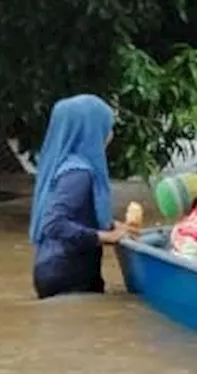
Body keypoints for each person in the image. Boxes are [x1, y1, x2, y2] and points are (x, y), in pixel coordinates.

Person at [28, 94, 129, 299]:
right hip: (68, 272)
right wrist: (106, 237)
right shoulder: (79, 173)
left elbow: (74, 216)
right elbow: (54, 223)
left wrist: (112, 226)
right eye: (106, 125)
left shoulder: (61, 166)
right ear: (90, 129)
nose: (110, 133)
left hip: (53, 268)